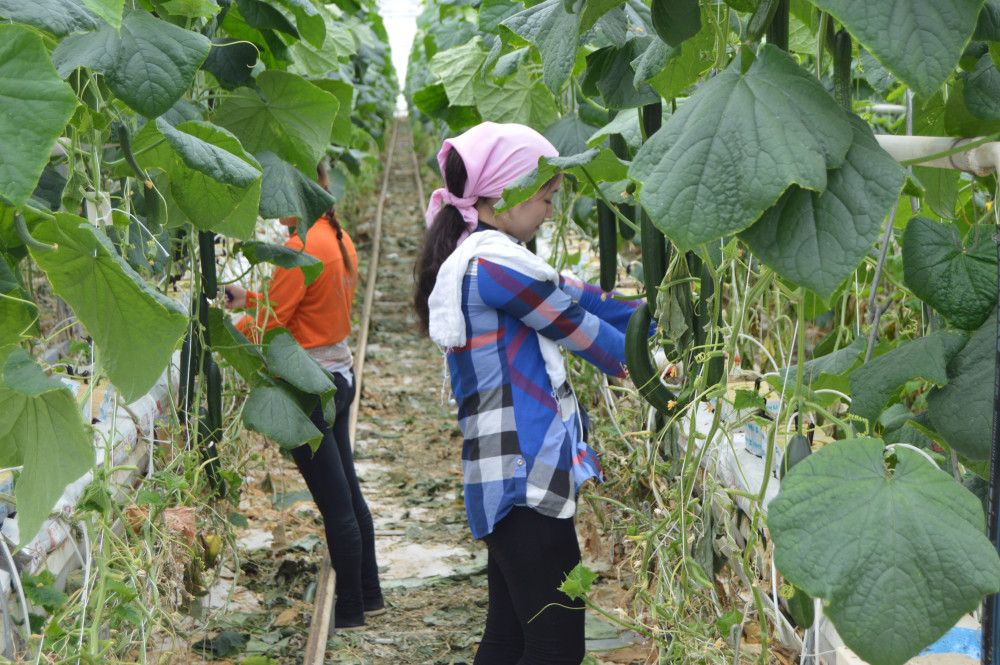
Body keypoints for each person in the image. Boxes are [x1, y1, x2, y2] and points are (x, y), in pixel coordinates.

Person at [413, 122, 641, 664]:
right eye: (546, 197)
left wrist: (652, 310)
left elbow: (582, 295)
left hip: (507, 475)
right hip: (523, 477)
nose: (551, 211)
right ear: (507, 193)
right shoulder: (494, 266)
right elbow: (586, 333)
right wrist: (651, 363)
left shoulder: (492, 257)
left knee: (512, 635)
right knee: (556, 646)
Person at [225, 162, 383, 630]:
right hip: (337, 376)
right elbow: (301, 307)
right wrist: (249, 299)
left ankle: (350, 613)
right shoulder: (335, 235)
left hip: (309, 390)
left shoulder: (298, 248)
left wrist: (226, 335)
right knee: (350, 498)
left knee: (336, 508)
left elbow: (273, 327)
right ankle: (370, 595)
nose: (272, 210)